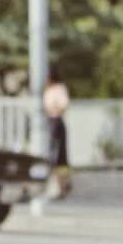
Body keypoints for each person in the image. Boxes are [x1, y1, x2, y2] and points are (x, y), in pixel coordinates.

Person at [43, 68, 71, 198]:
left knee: (59, 156)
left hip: (56, 121)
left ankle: (63, 186)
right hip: (48, 121)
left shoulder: (59, 88)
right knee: (49, 156)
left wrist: (54, 109)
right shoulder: (47, 89)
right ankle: (53, 187)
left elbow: (64, 105)